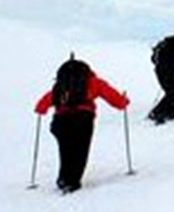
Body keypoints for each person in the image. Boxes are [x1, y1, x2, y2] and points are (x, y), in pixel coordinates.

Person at [34, 54, 130, 194]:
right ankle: (71, 182)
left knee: (66, 150)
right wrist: (123, 102)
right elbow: (110, 95)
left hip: (60, 121)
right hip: (82, 119)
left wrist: (40, 109)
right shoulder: (93, 81)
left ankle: (63, 178)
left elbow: (44, 102)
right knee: (80, 151)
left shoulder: (61, 84)